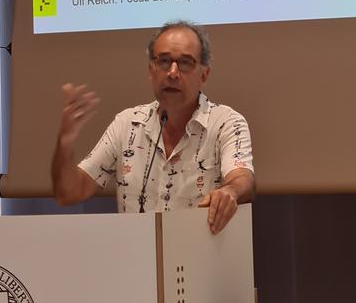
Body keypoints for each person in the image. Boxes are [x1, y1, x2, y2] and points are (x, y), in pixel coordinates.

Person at [51, 21, 254, 233]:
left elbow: (242, 179)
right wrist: (65, 143)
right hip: (135, 251)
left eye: (185, 63)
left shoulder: (226, 122)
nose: (173, 73)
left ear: (204, 74)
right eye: (164, 61)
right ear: (151, 70)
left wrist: (230, 191)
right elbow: (69, 193)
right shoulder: (127, 124)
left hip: (201, 250)